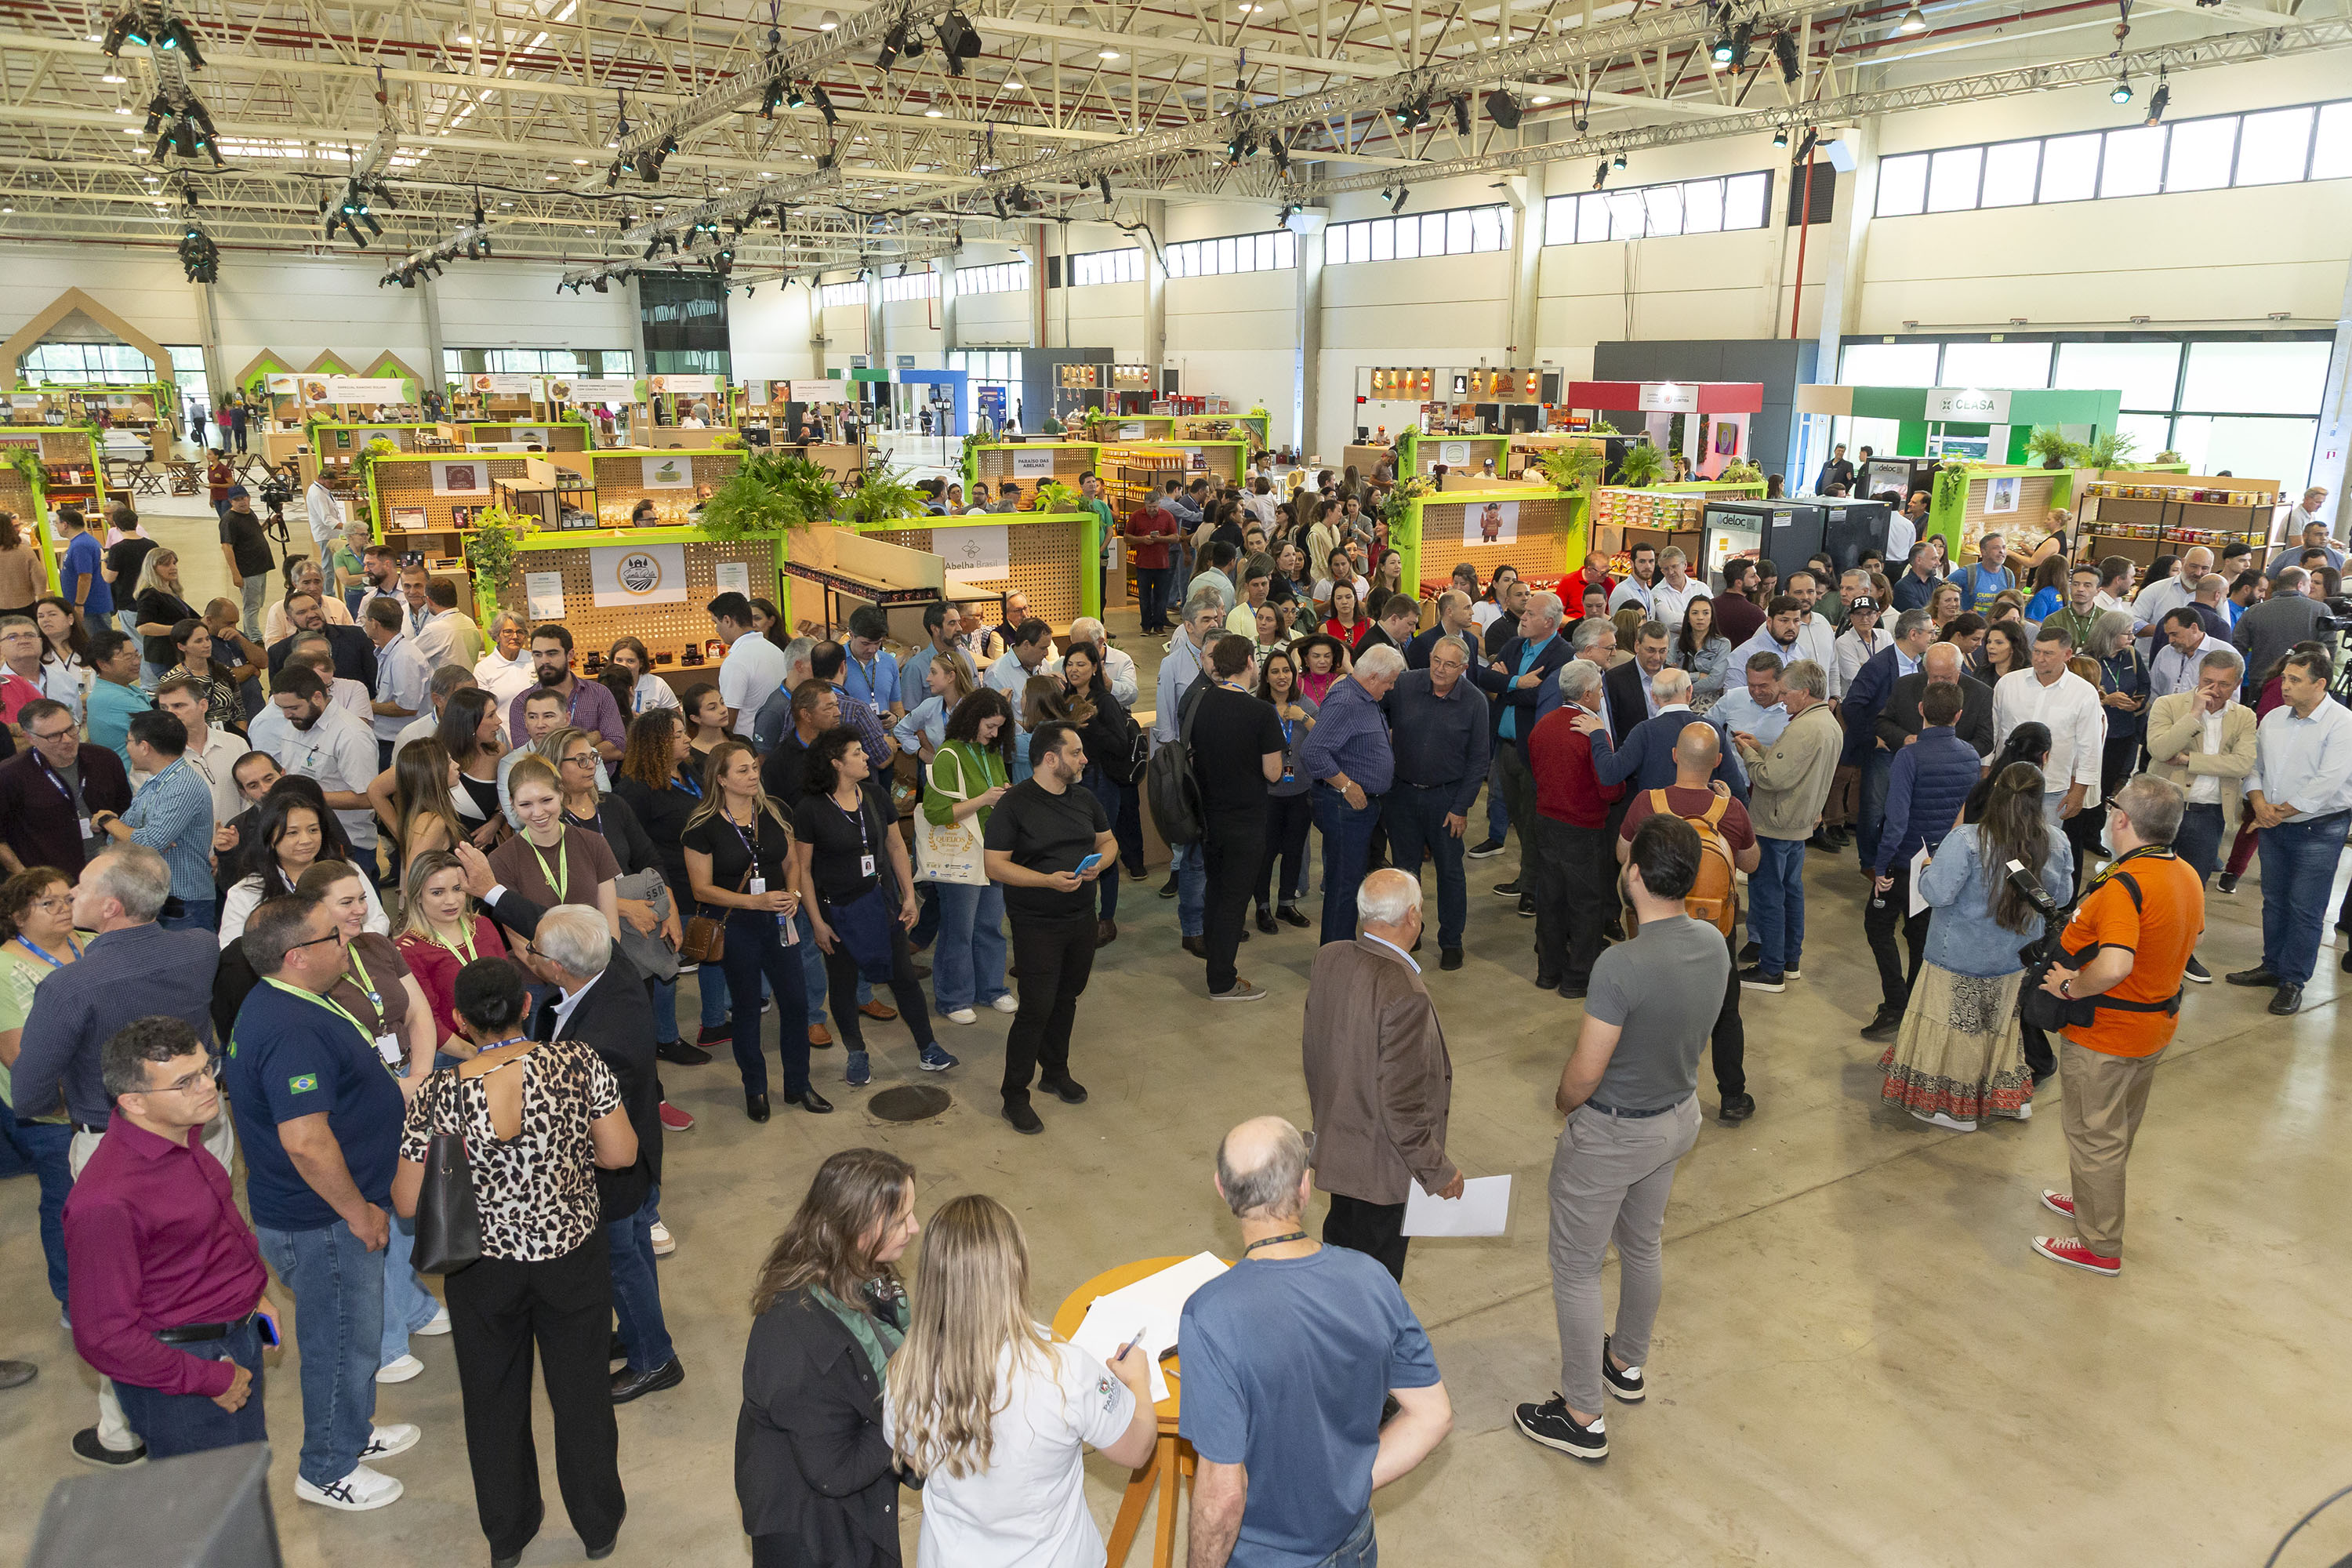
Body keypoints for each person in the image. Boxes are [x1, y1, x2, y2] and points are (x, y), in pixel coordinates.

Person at [390, 956, 635, 1560]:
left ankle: (508, 1533)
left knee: (492, 1400)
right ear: (526, 1006)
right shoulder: (578, 1064)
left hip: (482, 1267)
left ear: (458, 1019)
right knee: (582, 1394)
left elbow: (404, 1199)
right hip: (571, 1255)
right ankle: (598, 1526)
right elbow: (623, 1154)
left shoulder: (439, 1093)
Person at [1515, 813, 1728, 1462]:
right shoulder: (1714, 943)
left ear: (1633, 875)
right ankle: (1625, 1364)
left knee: (1576, 1268)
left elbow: (1586, 1071)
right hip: (1675, 1119)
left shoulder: (1620, 964)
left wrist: (1562, 1104)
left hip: (1613, 1135)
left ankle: (1581, 1414)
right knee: (1642, 1244)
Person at [221, 891, 419, 1512]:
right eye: (333, 935)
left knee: (355, 1336)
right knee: (340, 1341)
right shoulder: (292, 1027)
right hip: (324, 1222)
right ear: (297, 956)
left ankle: (350, 1435)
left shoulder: (290, 1002)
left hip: (324, 1215)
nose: (346, 942)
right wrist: (357, 1211)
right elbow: (306, 1141)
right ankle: (327, 1467)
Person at [1180, 1116, 1450, 1565]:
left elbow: (1223, 1495)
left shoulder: (1211, 1315)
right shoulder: (1372, 1280)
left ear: (1222, 1191)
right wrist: (1345, 1487)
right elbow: (1434, 1415)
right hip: (1353, 1544)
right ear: (1305, 1189)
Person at [884, 1193, 1157, 1567]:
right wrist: (1138, 1382)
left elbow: (915, 1458)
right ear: (1015, 1267)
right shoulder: (1063, 1370)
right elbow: (1137, 1449)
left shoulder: (904, 1371)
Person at [62, 1015, 278, 1462]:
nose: (206, 1087)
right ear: (134, 1102)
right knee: (206, 1514)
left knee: (244, 1489)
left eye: (206, 1070)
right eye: (185, 1082)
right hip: (183, 1370)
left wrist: (254, 1298)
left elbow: (215, 1234)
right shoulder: (106, 1201)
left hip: (233, 1336)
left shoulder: (184, 1136)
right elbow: (103, 1336)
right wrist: (210, 1379)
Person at [2032, 776, 2202, 1278]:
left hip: (2107, 1034)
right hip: (2154, 1029)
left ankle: (2098, 1245)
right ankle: (2092, 1198)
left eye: (2113, 808)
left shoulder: (2125, 885)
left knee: (2093, 1135)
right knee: (2115, 1129)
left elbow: (2114, 965)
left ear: (2123, 819)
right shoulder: (2186, 875)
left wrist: (2068, 988)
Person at [738, 1148, 920, 1568]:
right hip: (816, 1530)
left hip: (853, 1483)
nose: (914, 1227)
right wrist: (906, 1426)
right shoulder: (796, 1345)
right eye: (899, 1219)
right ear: (852, 1226)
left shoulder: (857, 1268)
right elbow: (835, 1472)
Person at [1878, 760, 2071, 1130]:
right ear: (2039, 799)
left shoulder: (1967, 839)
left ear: (1996, 792)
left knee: (1957, 1031)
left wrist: (1925, 869)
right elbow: (2059, 897)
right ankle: (2006, 1096)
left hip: (1957, 957)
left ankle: (1954, 1110)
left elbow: (1937, 892)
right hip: (2015, 961)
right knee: (1999, 1029)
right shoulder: (2056, 841)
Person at [1300, 867, 1461, 1281]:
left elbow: (1315, 1053)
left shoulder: (1329, 958)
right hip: (1382, 1175)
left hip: (1340, 1156)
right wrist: (1437, 1170)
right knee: (1375, 1290)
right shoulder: (1404, 993)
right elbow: (1402, 1106)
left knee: (1339, 1272)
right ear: (1411, 917)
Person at [794, 729, 952, 1087]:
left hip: (881, 903)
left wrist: (909, 897)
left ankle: (928, 1048)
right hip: (837, 910)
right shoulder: (811, 809)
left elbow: (897, 848)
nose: (867, 757)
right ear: (836, 763)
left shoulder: (877, 796)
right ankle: (857, 1054)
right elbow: (802, 869)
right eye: (857, 752)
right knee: (844, 983)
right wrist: (817, 922)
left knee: (905, 979)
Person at [2225, 649, 2352, 1015]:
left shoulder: (2342, 724)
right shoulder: (2275, 719)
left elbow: (2326, 784)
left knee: (2305, 908)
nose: (2285, 686)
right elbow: (2254, 766)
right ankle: (2273, 966)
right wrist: (2260, 803)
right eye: (2285, 678)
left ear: (2320, 683)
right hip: (2273, 824)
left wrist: (2274, 812)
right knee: (2275, 901)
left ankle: (2293, 980)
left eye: (2296, 680)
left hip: (2320, 829)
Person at [1860, 681, 1985, 1040]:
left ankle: (1896, 1003)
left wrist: (1880, 866)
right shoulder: (1970, 756)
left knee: (1878, 927)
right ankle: (1914, 1004)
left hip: (1902, 863)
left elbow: (1896, 819)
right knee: (1919, 936)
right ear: (1959, 715)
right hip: (1942, 863)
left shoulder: (1909, 756)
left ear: (1920, 710)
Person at [1377, 632, 1490, 971]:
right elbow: (1372, 706)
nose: (1439, 670)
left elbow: (1478, 761)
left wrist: (1461, 808)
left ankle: (1452, 941)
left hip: (1447, 800)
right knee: (1404, 873)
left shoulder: (1475, 702)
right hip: (1402, 794)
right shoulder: (1405, 685)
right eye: (1435, 661)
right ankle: (1409, 935)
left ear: (1464, 668)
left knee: (1450, 873)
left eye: (1449, 665)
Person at [1725, 661, 1838, 991]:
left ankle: (1771, 968)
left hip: (1775, 824)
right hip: (1799, 823)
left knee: (1769, 896)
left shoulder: (1803, 728)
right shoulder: (1827, 723)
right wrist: (1763, 748)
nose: (1782, 699)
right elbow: (1795, 765)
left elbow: (1770, 778)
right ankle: (1789, 960)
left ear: (1804, 693)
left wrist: (1748, 754)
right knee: (1791, 893)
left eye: (1786, 693)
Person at [2144, 649, 2254, 984]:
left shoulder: (2245, 717)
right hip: (2162, 809)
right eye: (2208, 681)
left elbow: (2243, 764)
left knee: (2190, 890)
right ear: (2199, 677)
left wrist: (2190, 760)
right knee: (2148, 882)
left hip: (2208, 815)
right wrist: (2194, 715)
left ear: (2236, 684)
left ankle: (2182, 953)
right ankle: (2140, 948)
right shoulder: (2168, 705)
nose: (2214, 690)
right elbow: (2160, 750)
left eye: (2223, 684)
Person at [1524, 659, 1624, 998]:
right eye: (1598, 690)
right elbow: (1610, 789)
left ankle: (1548, 972)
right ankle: (1578, 978)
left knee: (1550, 898)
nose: (1601, 695)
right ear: (1586, 693)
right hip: (1582, 827)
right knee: (1586, 903)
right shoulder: (1592, 731)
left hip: (1545, 822)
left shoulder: (1544, 725)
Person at [919, 690, 1016, 1024]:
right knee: (959, 928)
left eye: (999, 728)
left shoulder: (989, 751)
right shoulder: (949, 755)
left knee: (990, 925)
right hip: (962, 853)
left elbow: (997, 786)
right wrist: (985, 799)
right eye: (990, 726)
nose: (994, 734)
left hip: (993, 850)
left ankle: (990, 989)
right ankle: (953, 997)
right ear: (973, 719)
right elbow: (935, 812)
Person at [1299, 642, 1403, 947]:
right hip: (1345, 808)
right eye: (1390, 681)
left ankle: (1340, 950)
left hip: (1361, 808)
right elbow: (1314, 751)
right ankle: (1335, 957)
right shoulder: (1346, 701)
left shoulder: (1364, 695)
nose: (1392, 687)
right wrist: (1346, 785)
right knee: (1344, 886)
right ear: (1373, 677)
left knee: (1350, 881)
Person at [89, 711, 217, 931]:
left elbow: (148, 843)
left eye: (129, 742)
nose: (127, 748)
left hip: (184, 903)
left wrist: (107, 820)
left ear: (145, 747)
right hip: (158, 900)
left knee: (185, 964)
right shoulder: (154, 783)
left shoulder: (183, 785)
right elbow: (120, 841)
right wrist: (128, 834)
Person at [252, 664, 382, 863]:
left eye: (294, 708)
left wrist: (308, 797)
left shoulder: (351, 735)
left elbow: (367, 798)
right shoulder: (296, 723)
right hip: (305, 840)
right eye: (282, 709)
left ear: (317, 698)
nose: (287, 715)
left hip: (347, 843)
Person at [1990, 624, 2106, 829]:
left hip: (2052, 789)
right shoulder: (2008, 684)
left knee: (2043, 849)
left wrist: (2079, 792)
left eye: (2048, 654)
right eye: (2036, 651)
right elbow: (1994, 732)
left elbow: (2090, 746)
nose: (2039, 659)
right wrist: (1986, 773)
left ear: (2067, 654)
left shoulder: (2084, 693)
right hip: (2007, 784)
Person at [0, 699, 132, 877]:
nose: (68, 740)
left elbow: (127, 811)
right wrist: (23, 876)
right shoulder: (10, 775)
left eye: (71, 729)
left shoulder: (105, 759)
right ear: (30, 738)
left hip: (110, 871)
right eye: (54, 736)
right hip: (51, 880)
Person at [512, 625, 625, 760]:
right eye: (538, 654)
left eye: (552, 654)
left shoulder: (599, 694)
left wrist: (554, 751)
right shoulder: (522, 703)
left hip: (598, 780)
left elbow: (617, 748)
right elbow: (530, 758)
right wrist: (589, 739)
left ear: (570, 655)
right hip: (546, 781)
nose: (544, 661)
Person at [2230, 566, 2329, 693]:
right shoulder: (2321, 611)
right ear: (2300, 585)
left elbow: (2237, 649)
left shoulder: (2253, 611)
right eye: (2309, 585)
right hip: (2304, 685)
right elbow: (2328, 651)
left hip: (2260, 683)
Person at [216, 488, 274, 641]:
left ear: (249, 497)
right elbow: (227, 547)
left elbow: (256, 532)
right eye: (237, 499)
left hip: (261, 567)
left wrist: (270, 523)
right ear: (231, 502)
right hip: (248, 570)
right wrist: (236, 573)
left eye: (244, 498)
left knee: (258, 603)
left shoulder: (250, 513)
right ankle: (254, 638)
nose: (242, 502)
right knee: (252, 606)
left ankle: (251, 635)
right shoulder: (229, 520)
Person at [472, 611, 536, 728]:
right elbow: (482, 711)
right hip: (503, 737)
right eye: (508, 632)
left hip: (537, 735)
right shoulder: (484, 669)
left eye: (520, 632)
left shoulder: (534, 661)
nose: (515, 637)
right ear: (496, 636)